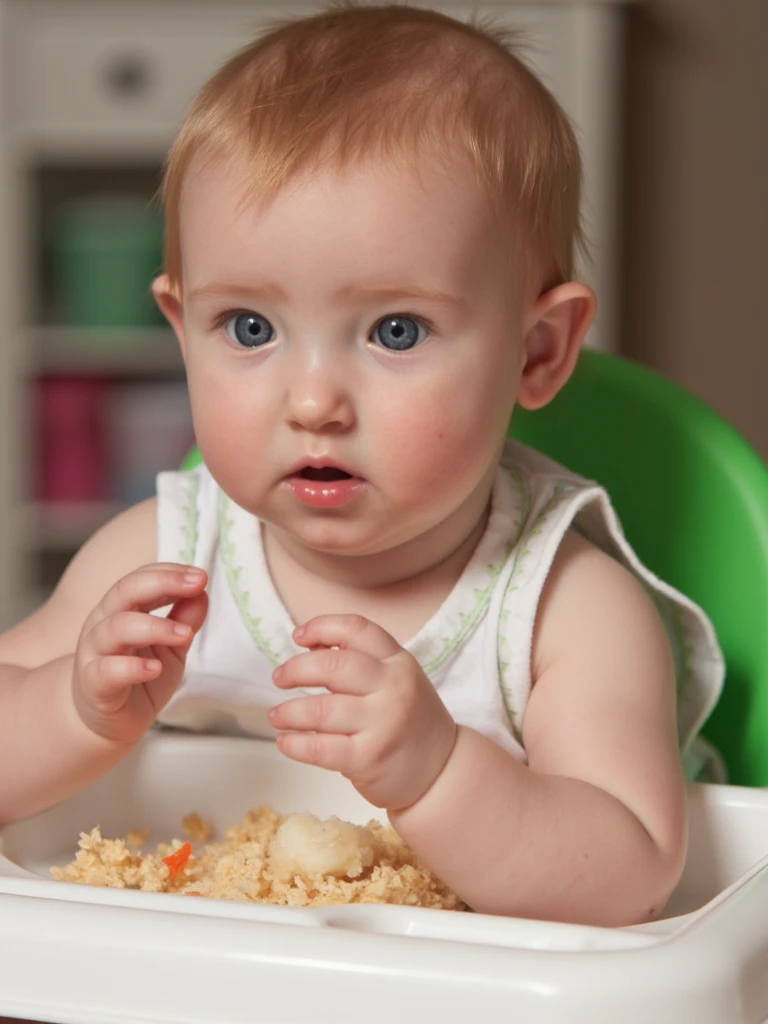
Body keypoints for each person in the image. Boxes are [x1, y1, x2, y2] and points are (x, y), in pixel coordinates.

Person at [0, 2, 723, 925]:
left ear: (537, 351)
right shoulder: (160, 561)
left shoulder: (561, 611)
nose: (312, 402)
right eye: (250, 328)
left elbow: (633, 875)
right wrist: (72, 716)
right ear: (183, 334)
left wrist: (440, 771)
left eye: (396, 330)